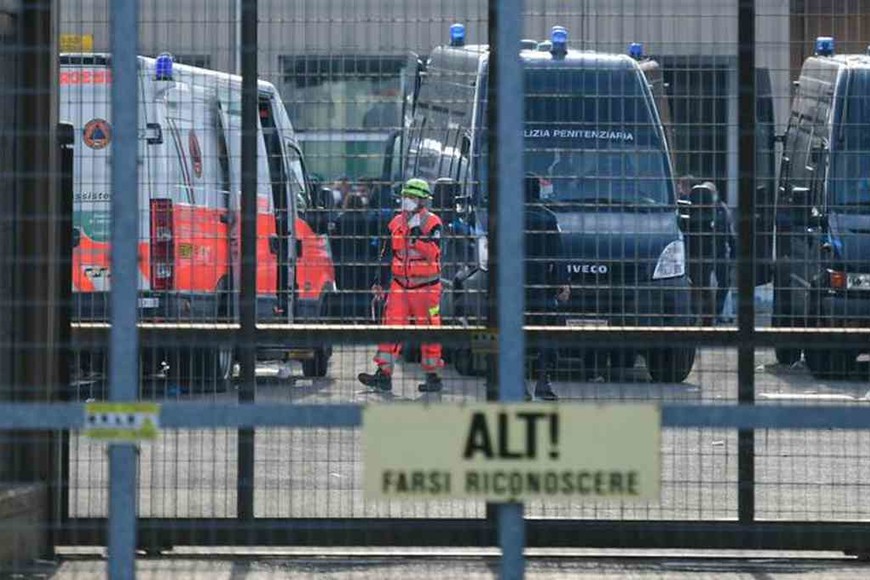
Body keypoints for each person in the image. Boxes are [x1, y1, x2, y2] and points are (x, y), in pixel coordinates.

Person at [358, 178, 445, 393]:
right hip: (399, 286)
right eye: (406, 196)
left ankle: (433, 376)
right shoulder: (395, 223)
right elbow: (386, 253)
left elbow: (434, 252)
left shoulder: (433, 223)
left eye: (412, 197)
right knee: (391, 328)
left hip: (426, 286)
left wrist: (416, 236)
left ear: (422, 200)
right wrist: (379, 281)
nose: (407, 200)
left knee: (429, 330)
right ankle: (383, 375)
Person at [524, 175, 570, 400]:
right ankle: (543, 382)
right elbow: (558, 254)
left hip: (514, 287)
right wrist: (563, 283)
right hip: (541, 286)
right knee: (546, 335)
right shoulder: (548, 218)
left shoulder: (507, 216)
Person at [685, 181, 719, 325]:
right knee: (703, 286)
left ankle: (698, 318)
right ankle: (706, 319)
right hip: (704, 255)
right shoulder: (712, 216)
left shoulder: (694, 217)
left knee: (698, 286)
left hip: (696, 254)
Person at [713, 187, 736, 323]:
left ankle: (718, 313)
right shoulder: (699, 208)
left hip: (720, 252)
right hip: (706, 253)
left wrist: (733, 254)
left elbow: (730, 234)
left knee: (724, 283)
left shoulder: (722, 209)